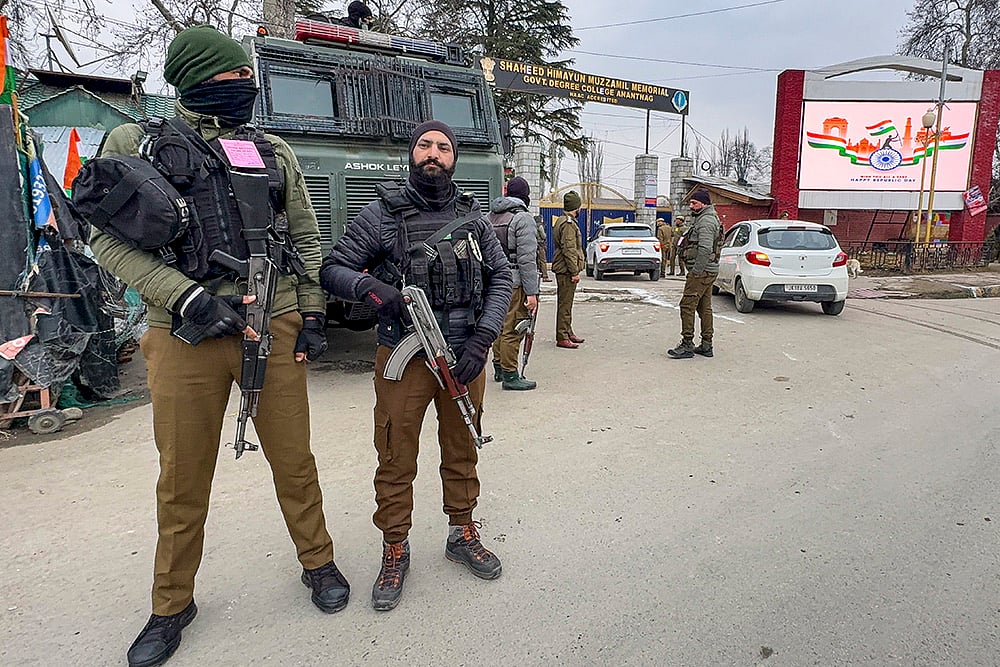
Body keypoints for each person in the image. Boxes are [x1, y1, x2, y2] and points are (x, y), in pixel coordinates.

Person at [86, 25, 348, 667]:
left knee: (294, 459)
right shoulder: (134, 143)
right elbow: (108, 243)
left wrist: (311, 313)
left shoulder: (270, 148)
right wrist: (187, 297)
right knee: (182, 478)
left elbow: (306, 238)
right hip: (182, 334)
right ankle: (171, 605)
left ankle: (319, 562)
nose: (246, 89)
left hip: (273, 322)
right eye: (232, 79)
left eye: (246, 79)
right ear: (195, 78)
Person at [319, 120, 513, 612]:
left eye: (443, 147)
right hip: (403, 354)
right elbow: (333, 268)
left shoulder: (474, 217)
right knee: (395, 453)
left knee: (462, 446)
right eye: (424, 145)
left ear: (454, 159)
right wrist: (373, 291)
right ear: (412, 154)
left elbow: (502, 275)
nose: (433, 153)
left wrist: (484, 338)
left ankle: (461, 531)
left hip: (463, 354)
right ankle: (395, 546)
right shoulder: (383, 213)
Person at [489, 176, 540, 390]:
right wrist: (532, 293)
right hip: (515, 283)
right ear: (525, 196)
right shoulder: (523, 219)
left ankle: (499, 368)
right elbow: (527, 258)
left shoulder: (490, 216)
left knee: (499, 327)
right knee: (514, 329)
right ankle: (511, 375)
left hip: (493, 281)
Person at [668, 189, 722, 359]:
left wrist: (696, 272)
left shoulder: (705, 221)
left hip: (702, 271)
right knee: (704, 307)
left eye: (694, 203)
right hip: (708, 271)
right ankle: (707, 345)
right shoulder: (706, 218)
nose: (691, 206)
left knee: (687, 305)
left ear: (703, 204)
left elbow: (705, 248)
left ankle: (687, 344)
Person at [551, 191, 586, 349]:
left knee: (567, 303)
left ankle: (567, 331)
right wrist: (574, 272)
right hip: (566, 270)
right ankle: (562, 336)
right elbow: (569, 249)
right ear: (575, 207)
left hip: (565, 268)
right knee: (565, 304)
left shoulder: (564, 221)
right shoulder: (568, 224)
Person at [537, 215, 553, 282]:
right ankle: (545, 276)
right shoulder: (540, 226)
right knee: (543, 260)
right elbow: (543, 236)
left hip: (536, 245)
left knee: (538, 260)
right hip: (541, 245)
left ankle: (539, 274)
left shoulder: (533, 225)